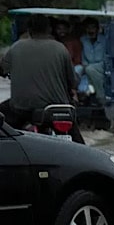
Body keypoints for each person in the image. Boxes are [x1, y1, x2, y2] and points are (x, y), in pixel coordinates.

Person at [0, 14, 84, 144]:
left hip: (22, 109)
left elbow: (3, 69)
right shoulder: (60, 49)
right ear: (49, 29)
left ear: (29, 30)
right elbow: (72, 81)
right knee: (79, 143)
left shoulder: (16, 47)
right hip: (57, 107)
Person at [81, 17, 106, 103]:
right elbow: (83, 56)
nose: (91, 30)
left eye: (93, 27)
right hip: (87, 65)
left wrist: (89, 67)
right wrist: (84, 64)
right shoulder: (83, 40)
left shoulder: (104, 40)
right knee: (77, 69)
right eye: (88, 28)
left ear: (97, 29)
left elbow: (106, 58)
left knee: (90, 70)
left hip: (102, 65)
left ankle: (100, 95)